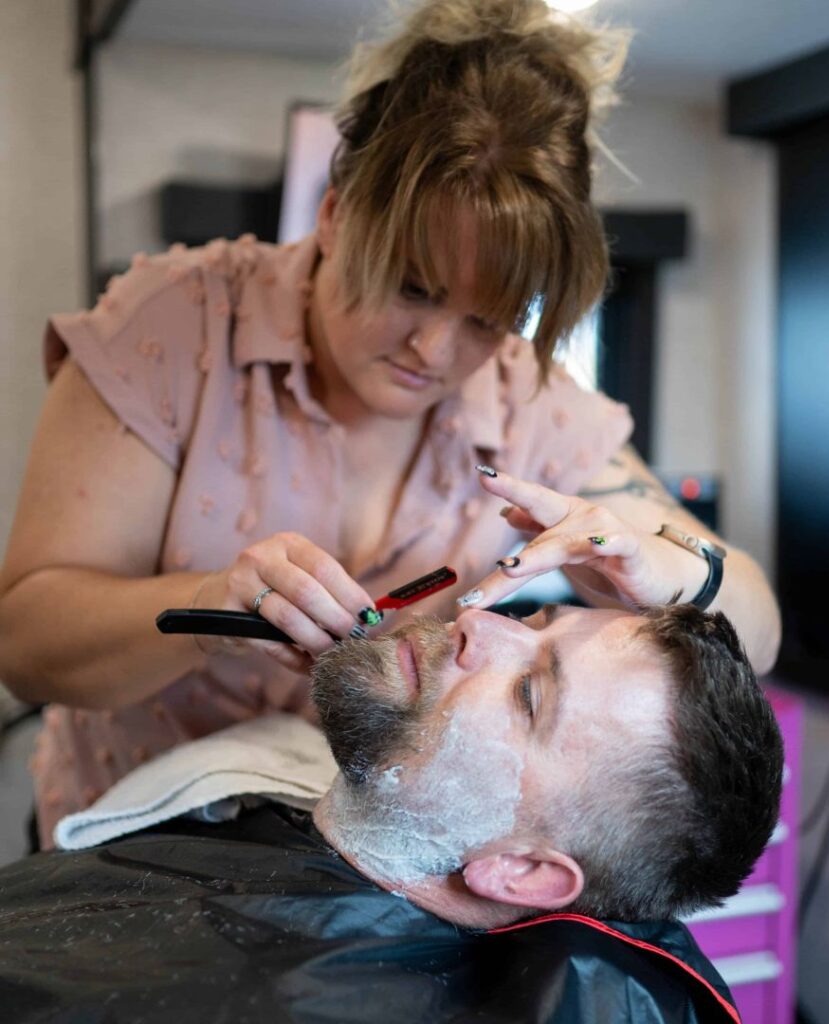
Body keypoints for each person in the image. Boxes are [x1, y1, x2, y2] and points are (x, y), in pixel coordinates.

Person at [0, 0, 780, 849]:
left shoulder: (528, 401)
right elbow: (27, 642)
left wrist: (661, 563)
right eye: (411, 286)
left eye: (490, 318)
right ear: (335, 214)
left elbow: (759, 625)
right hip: (128, 844)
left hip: (354, 861)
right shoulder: (172, 330)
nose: (434, 349)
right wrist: (211, 607)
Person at [0, 601, 783, 1023]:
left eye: (529, 692)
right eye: (538, 619)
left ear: (519, 869)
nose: (480, 621)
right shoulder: (266, 773)